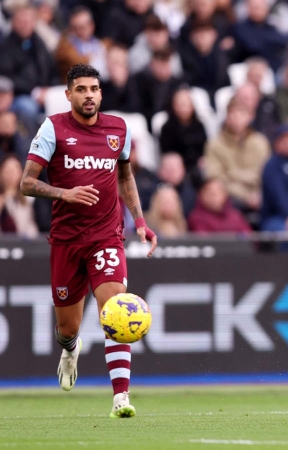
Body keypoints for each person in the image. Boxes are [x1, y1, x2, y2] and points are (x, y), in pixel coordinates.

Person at [20, 64, 157, 418]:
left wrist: (140, 222)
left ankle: (121, 398)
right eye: (81, 89)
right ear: (69, 95)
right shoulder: (53, 127)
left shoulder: (119, 129)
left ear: (101, 93)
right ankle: (69, 349)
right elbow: (26, 183)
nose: (89, 95)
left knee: (116, 309)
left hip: (106, 237)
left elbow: (125, 178)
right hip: (66, 240)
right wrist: (65, 194)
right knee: (67, 328)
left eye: (94, 88)